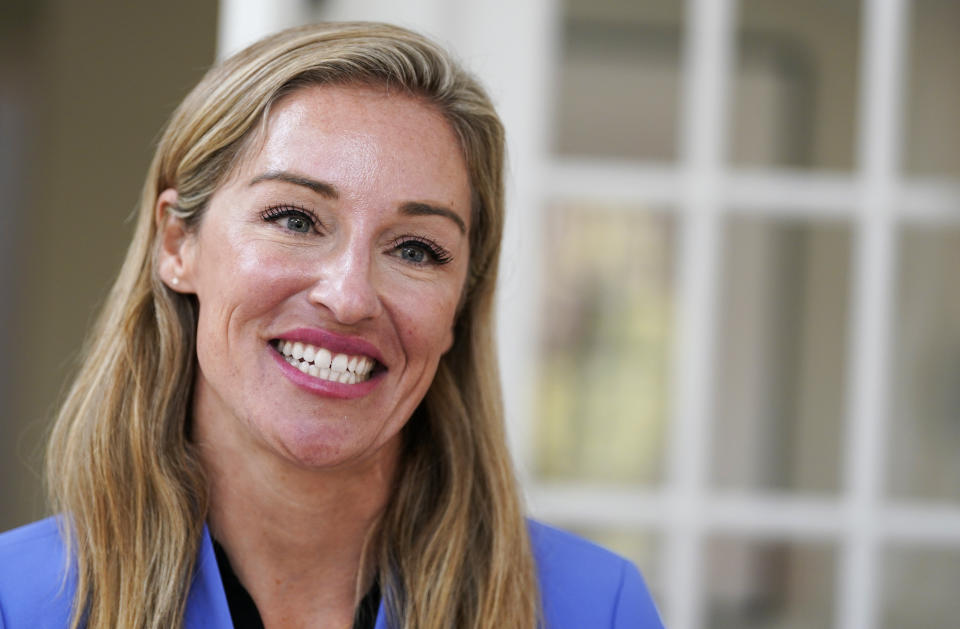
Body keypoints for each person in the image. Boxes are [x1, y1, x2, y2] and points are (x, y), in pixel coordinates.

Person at [0, 22, 663, 629]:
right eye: (294, 218)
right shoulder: (17, 600)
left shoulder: (591, 607)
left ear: (460, 303)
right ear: (178, 243)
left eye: (415, 249)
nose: (349, 297)